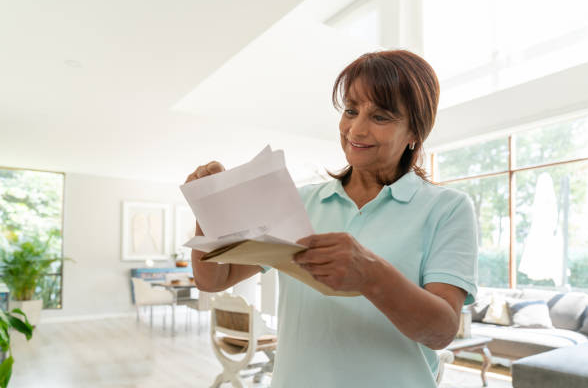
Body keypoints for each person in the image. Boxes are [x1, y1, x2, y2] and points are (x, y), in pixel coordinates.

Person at [186, 50, 478, 387]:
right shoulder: (301, 200)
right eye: (351, 111)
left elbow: (441, 331)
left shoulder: (447, 209)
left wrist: (370, 275)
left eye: (380, 116)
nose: (356, 128)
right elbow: (215, 279)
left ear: (415, 132)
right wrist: (207, 212)